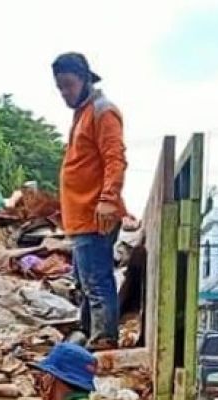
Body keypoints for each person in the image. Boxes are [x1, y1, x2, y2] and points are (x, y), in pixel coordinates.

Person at [53, 52, 128, 351]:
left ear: (84, 79)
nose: (64, 93)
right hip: (81, 216)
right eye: (60, 88)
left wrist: (109, 199)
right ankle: (88, 334)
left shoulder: (102, 111)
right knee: (85, 283)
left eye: (68, 85)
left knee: (96, 281)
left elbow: (115, 158)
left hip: (95, 214)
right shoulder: (83, 113)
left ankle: (104, 339)